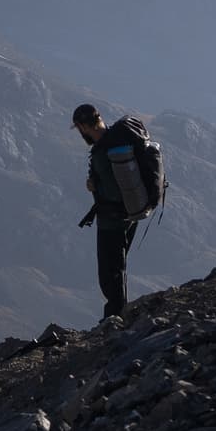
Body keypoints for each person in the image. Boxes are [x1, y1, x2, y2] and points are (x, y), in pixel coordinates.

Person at [72, 103, 148, 320]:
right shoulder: (118, 138)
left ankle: (115, 319)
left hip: (112, 220)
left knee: (110, 274)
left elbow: (114, 192)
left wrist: (95, 186)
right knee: (118, 268)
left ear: (85, 126)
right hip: (131, 215)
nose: (80, 133)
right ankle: (118, 315)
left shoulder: (103, 151)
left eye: (79, 128)